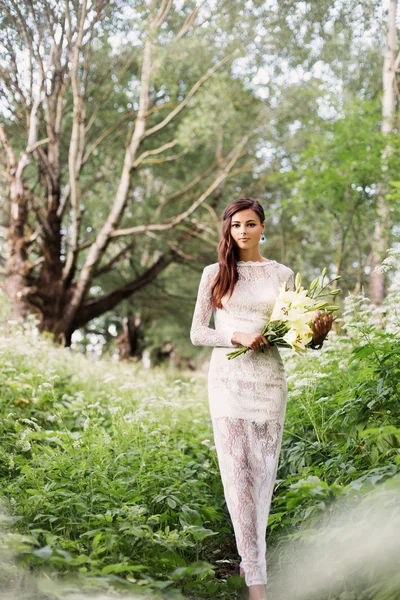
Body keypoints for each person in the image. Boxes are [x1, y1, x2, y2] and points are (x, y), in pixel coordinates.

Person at [189, 197, 332, 600]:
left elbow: (293, 338)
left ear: (262, 226)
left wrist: (317, 334)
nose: (242, 232)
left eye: (250, 224)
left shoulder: (282, 274)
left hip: (269, 385)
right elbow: (199, 333)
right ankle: (257, 583)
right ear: (228, 230)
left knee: (262, 479)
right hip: (228, 384)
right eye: (235, 225)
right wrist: (236, 336)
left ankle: (257, 566)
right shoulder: (214, 274)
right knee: (237, 480)